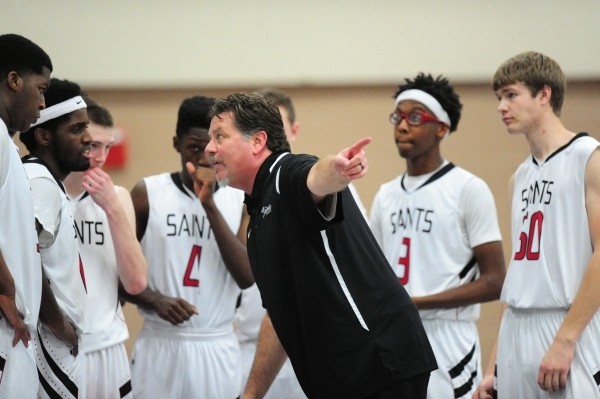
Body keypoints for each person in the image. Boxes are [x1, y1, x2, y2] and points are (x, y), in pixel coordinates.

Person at [207, 92, 437, 399]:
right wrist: (250, 395)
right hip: (339, 377)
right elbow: (279, 316)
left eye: (220, 136)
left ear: (258, 141)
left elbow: (316, 175)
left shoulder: (285, 172)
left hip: (380, 364)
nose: (210, 148)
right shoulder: (258, 218)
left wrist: (338, 170)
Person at [369, 73, 506, 399]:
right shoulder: (385, 195)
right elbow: (372, 273)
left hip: (448, 340)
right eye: (398, 116)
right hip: (395, 336)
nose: (402, 126)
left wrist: (414, 304)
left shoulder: (468, 189)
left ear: (441, 127)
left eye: (415, 117)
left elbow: (496, 281)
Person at [474, 51, 600, 399]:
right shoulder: (520, 177)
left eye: (511, 95)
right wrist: (493, 368)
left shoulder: (588, 158)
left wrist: (565, 339)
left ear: (544, 94)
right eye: (499, 97)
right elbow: (520, 275)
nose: (501, 106)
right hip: (518, 327)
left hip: (566, 324)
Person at [121, 95, 254, 399]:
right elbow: (116, 276)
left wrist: (208, 205)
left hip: (216, 345)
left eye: (213, 147)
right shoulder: (146, 194)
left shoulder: (241, 199)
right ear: (176, 144)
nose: (206, 158)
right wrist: (154, 299)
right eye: (194, 148)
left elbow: (247, 276)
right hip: (160, 343)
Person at [63, 97, 147, 399]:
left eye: (108, 147)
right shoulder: (41, 190)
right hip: (56, 343)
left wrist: (112, 207)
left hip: (107, 347)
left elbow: (136, 282)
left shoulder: (119, 197)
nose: (100, 157)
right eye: (93, 145)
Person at [20, 78, 92, 399]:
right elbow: (21, 253)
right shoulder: (41, 183)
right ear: (44, 135)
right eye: (77, 130)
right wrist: (56, 321)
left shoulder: (42, 179)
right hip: (45, 341)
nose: (88, 138)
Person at [0, 33, 51, 398]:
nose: (42, 103)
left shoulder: (6, 142)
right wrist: (5, 287)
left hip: (14, 330)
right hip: (6, 326)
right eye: (41, 89)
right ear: (14, 80)